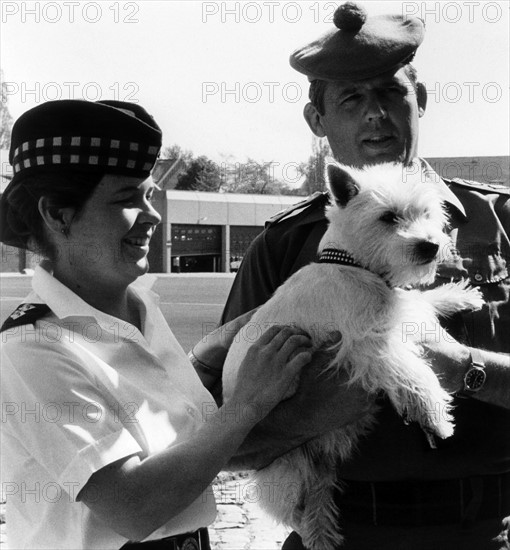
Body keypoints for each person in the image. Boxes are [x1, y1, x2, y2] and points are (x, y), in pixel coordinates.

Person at [213, 3, 510, 549]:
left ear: (419, 102)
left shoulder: (502, 223)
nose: (375, 113)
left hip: (489, 531)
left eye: (391, 93)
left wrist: (469, 370)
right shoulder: (283, 247)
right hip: (341, 531)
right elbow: (223, 436)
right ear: (317, 122)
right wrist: (314, 411)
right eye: (351, 99)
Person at [0, 99, 321, 550]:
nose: (152, 215)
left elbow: (191, 446)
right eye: (126, 199)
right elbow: (134, 506)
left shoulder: (140, 308)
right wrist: (247, 403)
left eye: (148, 194)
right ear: (57, 214)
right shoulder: (33, 348)